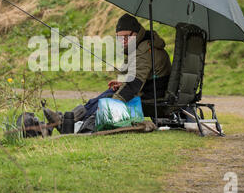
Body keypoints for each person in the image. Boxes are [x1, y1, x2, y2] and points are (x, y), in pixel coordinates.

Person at [44, 13, 172, 133]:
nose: (124, 41)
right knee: (106, 94)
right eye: (120, 38)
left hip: (153, 95)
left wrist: (115, 102)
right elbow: (139, 75)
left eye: (127, 36)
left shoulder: (144, 50)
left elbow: (135, 83)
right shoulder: (140, 46)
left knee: (109, 97)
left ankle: (70, 124)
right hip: (147, 89)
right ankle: (67, 120)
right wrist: (122, 83)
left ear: (137, 33)